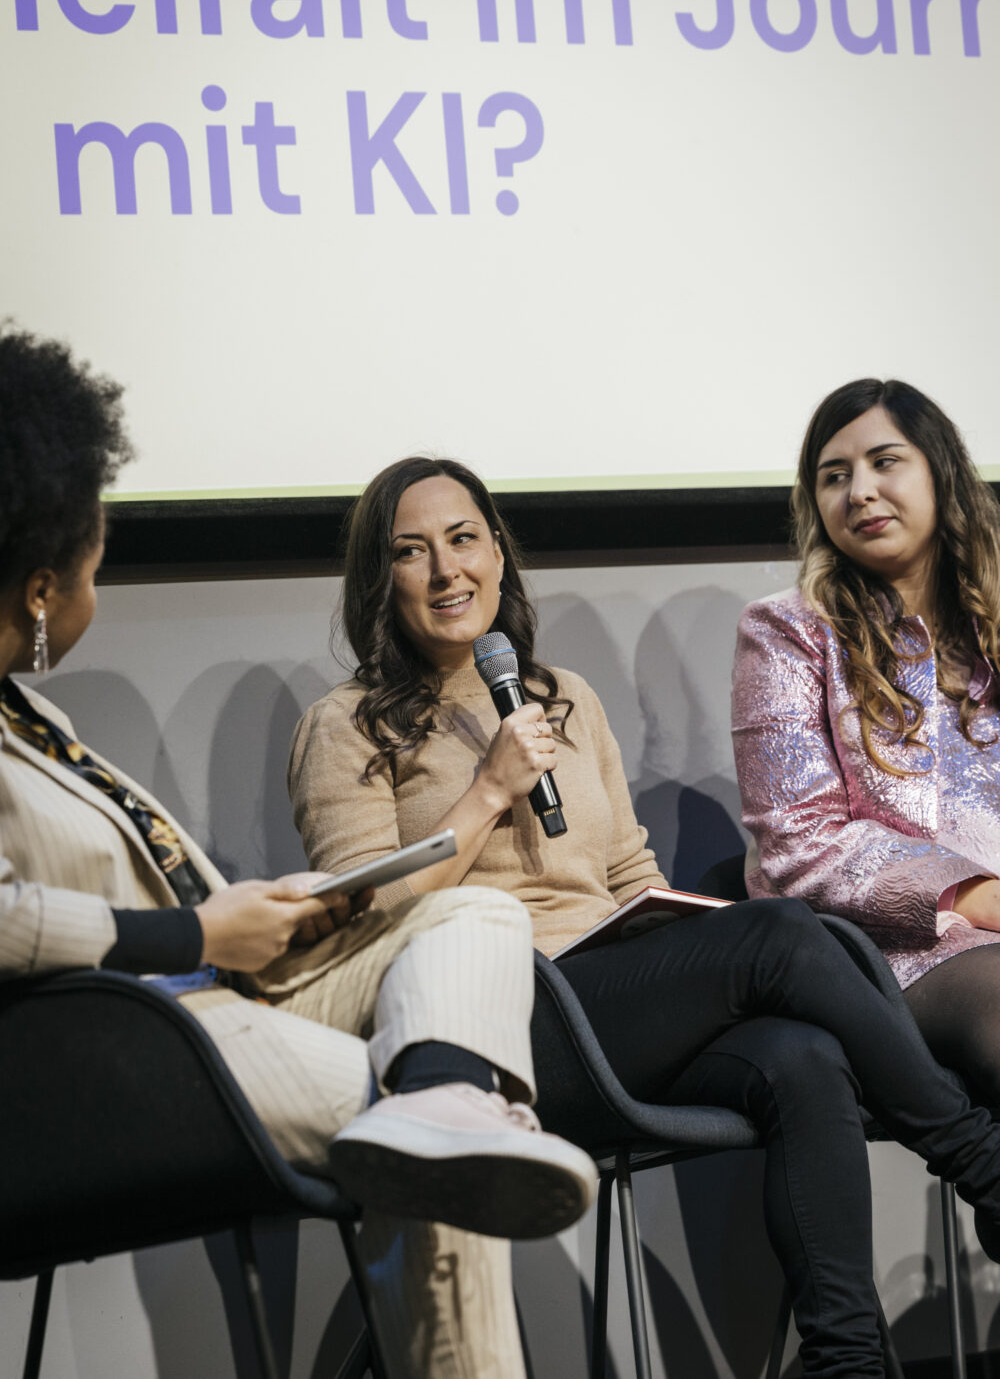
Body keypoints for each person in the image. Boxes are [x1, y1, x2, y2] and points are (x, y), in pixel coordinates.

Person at [291, 452, 1000, 1379]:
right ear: (379, 582)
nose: (446, 569)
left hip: (610, 997)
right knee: (780, 930)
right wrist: (484, 793)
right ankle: (976, 1154)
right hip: (491, 1022)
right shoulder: (346, 725)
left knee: (802, 1056)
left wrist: (672, 930)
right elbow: (361, 925)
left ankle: (847, 1359)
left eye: (464, 540)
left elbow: (628, 870)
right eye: (410, 553)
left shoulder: (566, 700)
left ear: (499, 555)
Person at [0, 329, 599, 1379]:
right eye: (100, 547)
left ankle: (449, 1092)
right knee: (436, 1154)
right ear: (43, 581)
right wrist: (193, 929)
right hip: (122, 1038)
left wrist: (251, 909)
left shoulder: (28, 717)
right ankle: (443, 1113)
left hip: (221, 993)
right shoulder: (340, 719)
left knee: (475, 918)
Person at [732, 377, 1000, 1112]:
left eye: (885, 462)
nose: (860, 492)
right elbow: (799, 844)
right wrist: (978, 897)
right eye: (835, 476)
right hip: (889, 951)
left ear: (941, 473)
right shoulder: (788, 630)